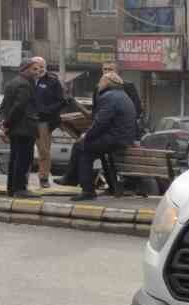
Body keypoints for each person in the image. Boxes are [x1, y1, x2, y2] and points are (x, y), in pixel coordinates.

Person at [74, 72, 138, 200]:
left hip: (115, 139)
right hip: (123, 138)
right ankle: (71, 179)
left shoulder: (109, 97)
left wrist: (87, 136)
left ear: (107, 82)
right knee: (83, 147)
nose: (98, 85)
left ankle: (87, 191)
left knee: (82, 148)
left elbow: (100, 122)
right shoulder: (123, 95)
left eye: (101, 82)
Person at [0, 58, 42, 198]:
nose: (37, 72)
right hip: (24, 128)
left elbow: (4, 107)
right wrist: (6, 124)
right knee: (24, 159)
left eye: (38, 69)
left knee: (15, 158)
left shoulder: (12, 83)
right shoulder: (25, 85)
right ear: (25, 69)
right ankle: (20, 188)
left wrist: (5, 123)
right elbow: (19, 107)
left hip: (16, 129)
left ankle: (12, 189)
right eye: (34, 69)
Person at [31, 57, 65, 188]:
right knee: (25, 151)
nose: (37, 69)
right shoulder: (28, 80)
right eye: (35, 67)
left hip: (43, 121)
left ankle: (43, 178)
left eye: (40, 66)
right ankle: (22, 177)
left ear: (44, 66)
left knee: (44, 151)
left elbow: (61, 101)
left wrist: (46, 111)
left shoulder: (52, 80)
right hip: (27, 121)